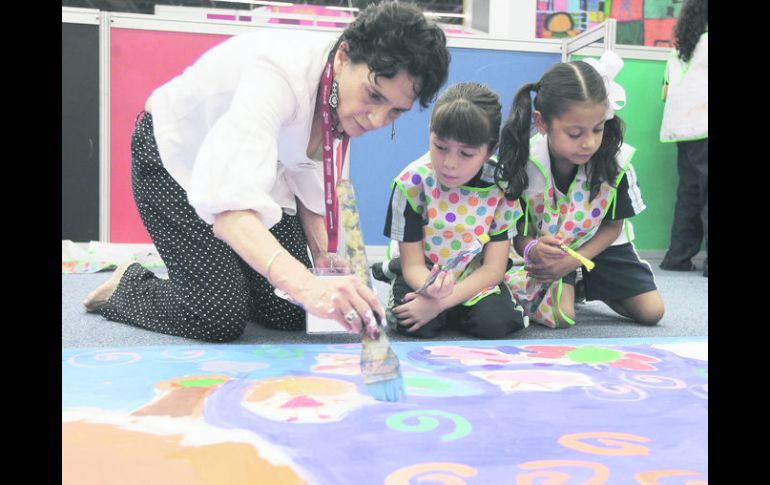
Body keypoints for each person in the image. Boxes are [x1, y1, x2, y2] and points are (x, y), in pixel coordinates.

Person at [82, 2, 450, 342]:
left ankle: (230, 276)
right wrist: (307, 284)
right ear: (343, 57)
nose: (376, 119)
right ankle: (127, 286)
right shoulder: (277, 75)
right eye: (374, 96)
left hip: (259, 176)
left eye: (395, 111)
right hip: (176, 162)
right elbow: (229, 212)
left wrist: (325, 260)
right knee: (218, 316)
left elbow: (308, 173)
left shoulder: (340, 95)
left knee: (291, 310)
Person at [497, 51, 665, 329]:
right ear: (542, 123)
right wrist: (533, 250)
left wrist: (575, 262)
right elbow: (519, 232)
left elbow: (613, 226)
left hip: (601, 245)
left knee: (652, 312)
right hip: (552, 250)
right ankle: (570, 284)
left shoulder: (615, 162)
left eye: (597, 130)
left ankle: (584, 284)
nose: (589, 143)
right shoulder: (524, 162)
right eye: (575, 133)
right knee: (563, 317)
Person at [375, 82, 528, 339]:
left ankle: (452, 310)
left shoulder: (502, 186)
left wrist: (440, 304)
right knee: (413, 325)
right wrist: (432, 290)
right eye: (440, 147)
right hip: (424, 273)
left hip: (473, 272)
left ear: (490, 149)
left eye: (466, 153)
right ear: (430, 132)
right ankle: (393, 270)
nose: (450, 164)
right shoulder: (412, 184)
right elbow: (413, 264)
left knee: (495, 324)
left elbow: (493, 268)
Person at [659, 0, 708, 277]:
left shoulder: (680, 50)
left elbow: (665, 92)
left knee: (689, 193)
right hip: (704, 125)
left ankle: (677, 257)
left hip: (682, 129)